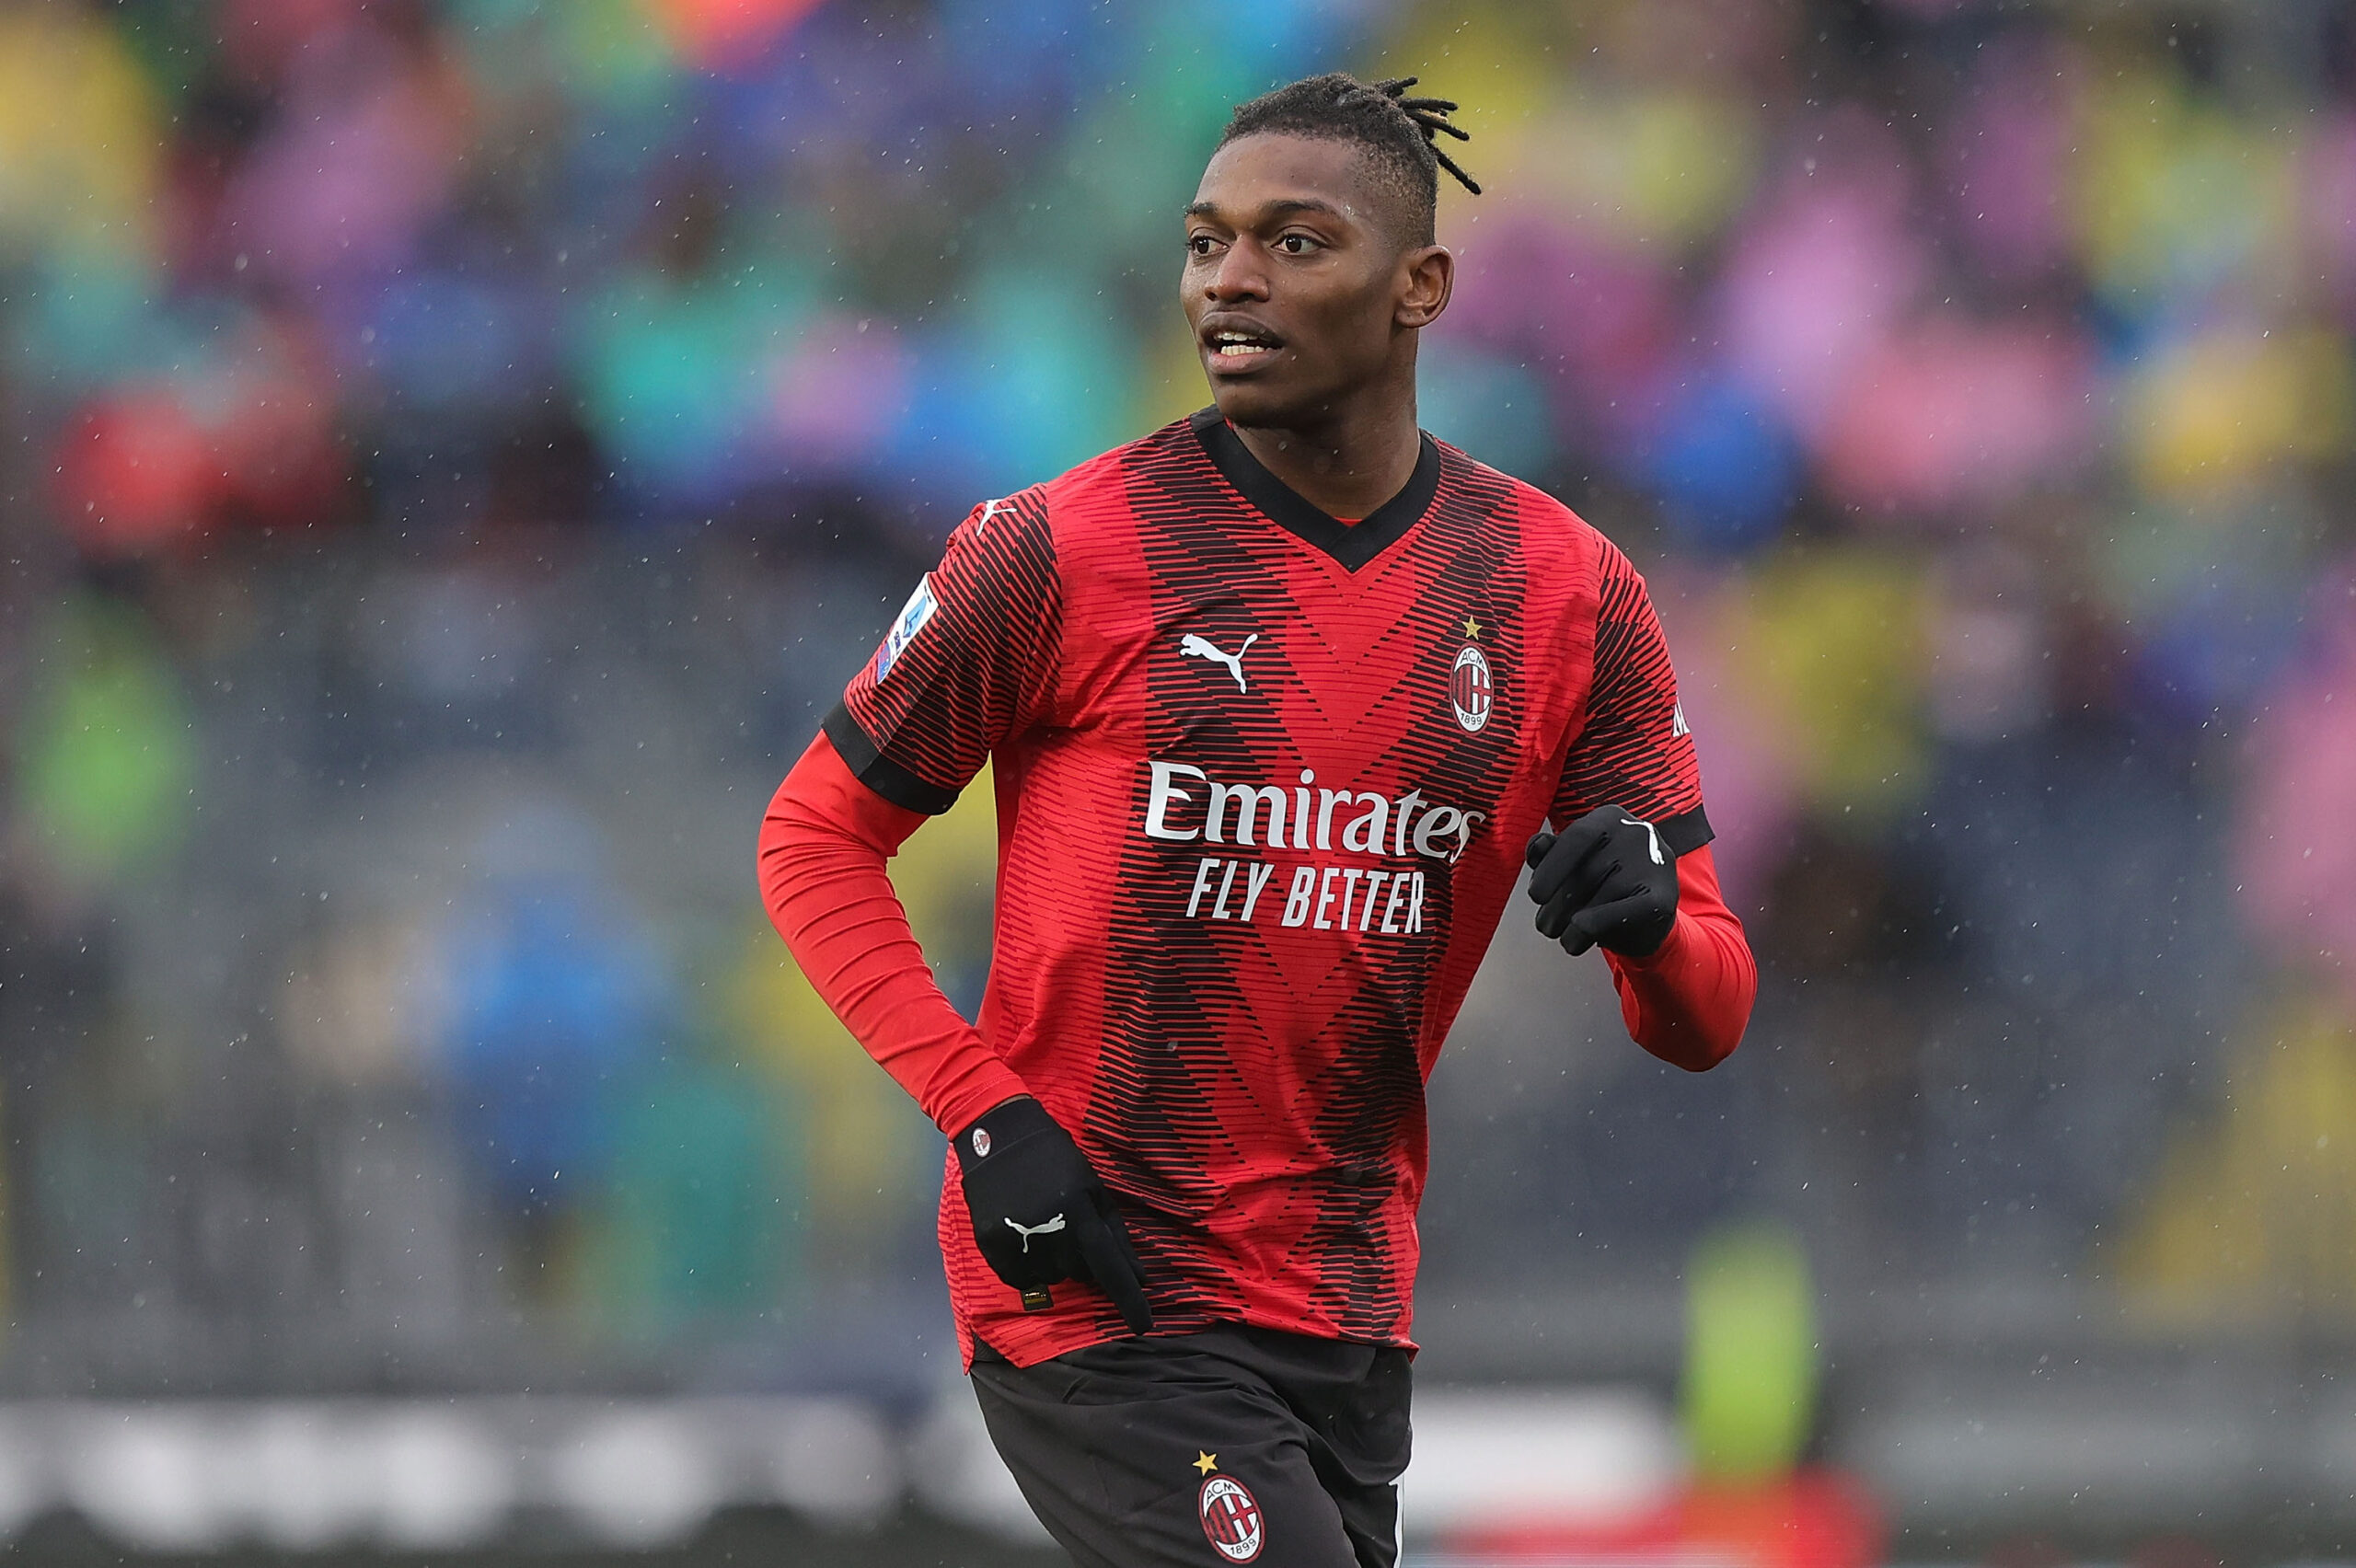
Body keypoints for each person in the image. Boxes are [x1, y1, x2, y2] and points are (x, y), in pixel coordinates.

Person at [757, 71, 1756, 1568]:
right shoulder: (1057, 551)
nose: (1231, 275)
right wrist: (984, 1116)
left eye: (1296, 242)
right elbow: (813, 840)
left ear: (1422, 286)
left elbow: (1706, 1016)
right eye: (1207, 240)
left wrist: (1656, 925)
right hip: (1095, 1276)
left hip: (1348, 1299)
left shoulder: (1567, 595)